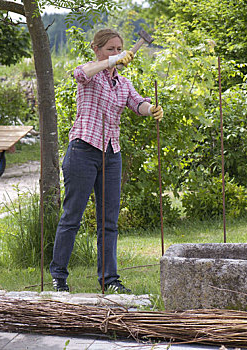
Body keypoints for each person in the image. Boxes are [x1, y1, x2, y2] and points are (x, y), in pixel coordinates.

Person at [49, 28, 163, 293]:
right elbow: (79, 73)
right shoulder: (90, 74)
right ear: (97, 50)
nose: (116, 53)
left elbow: (138, 104)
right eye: (110, 49)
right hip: (83, 151)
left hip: (111, 155)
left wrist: (152, 109)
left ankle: (109, 280)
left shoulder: (123, 84)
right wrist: (112, 61)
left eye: (119, 49)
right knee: (72, 217)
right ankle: (59, 276)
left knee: (108, 221)